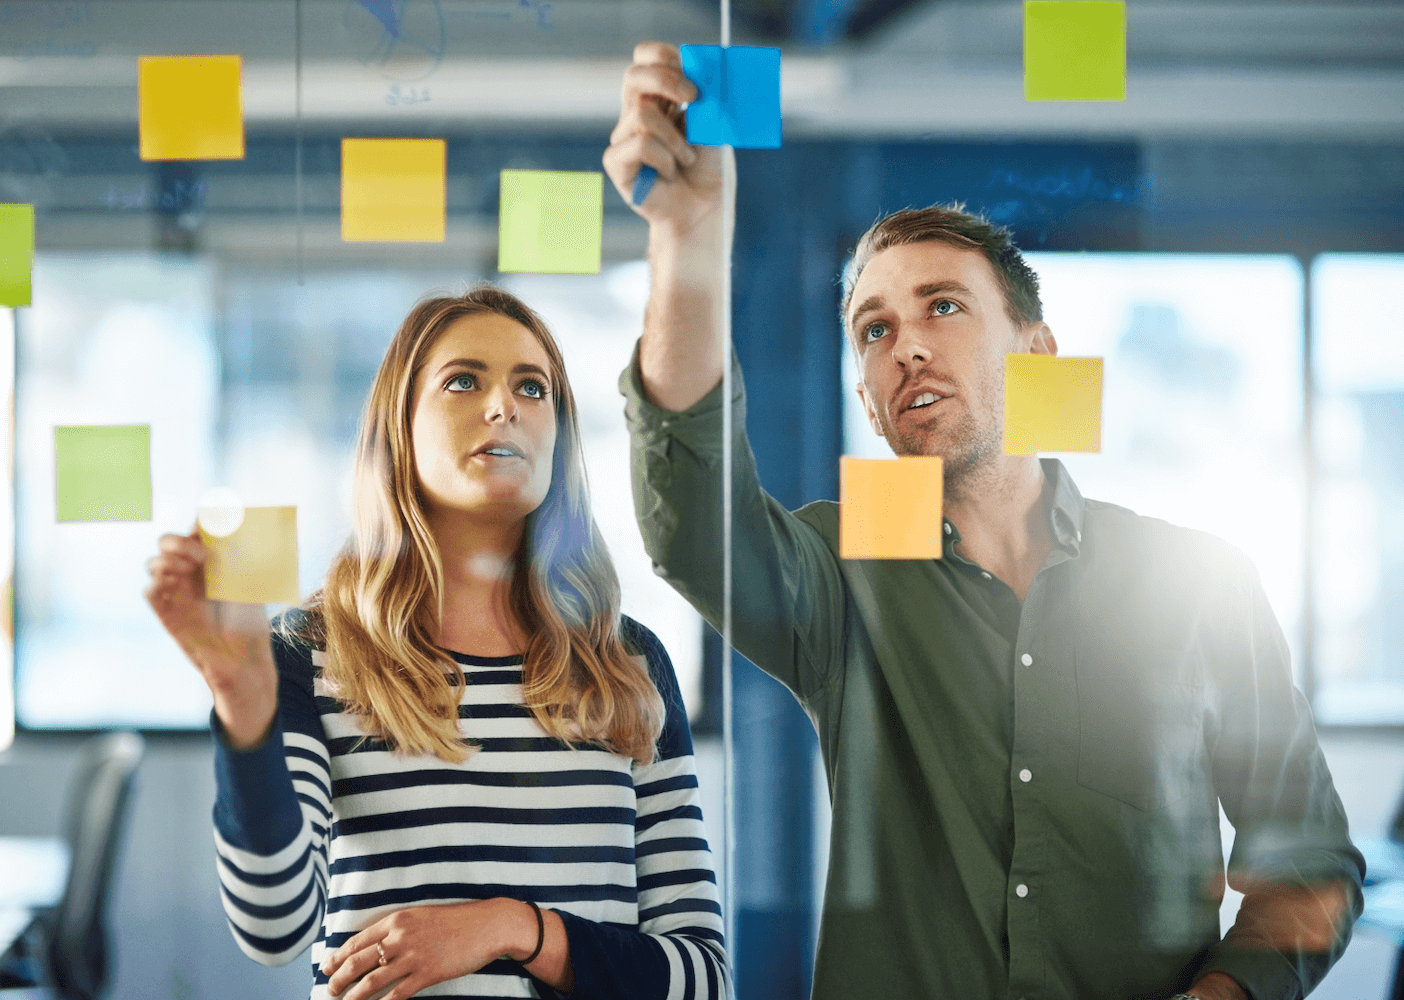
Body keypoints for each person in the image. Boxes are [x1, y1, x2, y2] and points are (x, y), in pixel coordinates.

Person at [601, 41, 1364, 1000]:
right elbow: (691, 518)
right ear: (867, 395)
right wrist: (687, 238)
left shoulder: (1200, 579)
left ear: (1036, 350)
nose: (907, 346)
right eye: (874, 331)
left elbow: (1311, 865)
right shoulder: (845, 567)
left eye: (944, 307)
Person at [145, 287, 727, 1000]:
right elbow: (274, 926)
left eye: (532, 387)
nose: (503, 406)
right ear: (399, 428)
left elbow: (702, 979)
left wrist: (509, 928)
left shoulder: (628, 663)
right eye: (463, 380)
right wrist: (243, 700)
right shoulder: (308, 655)